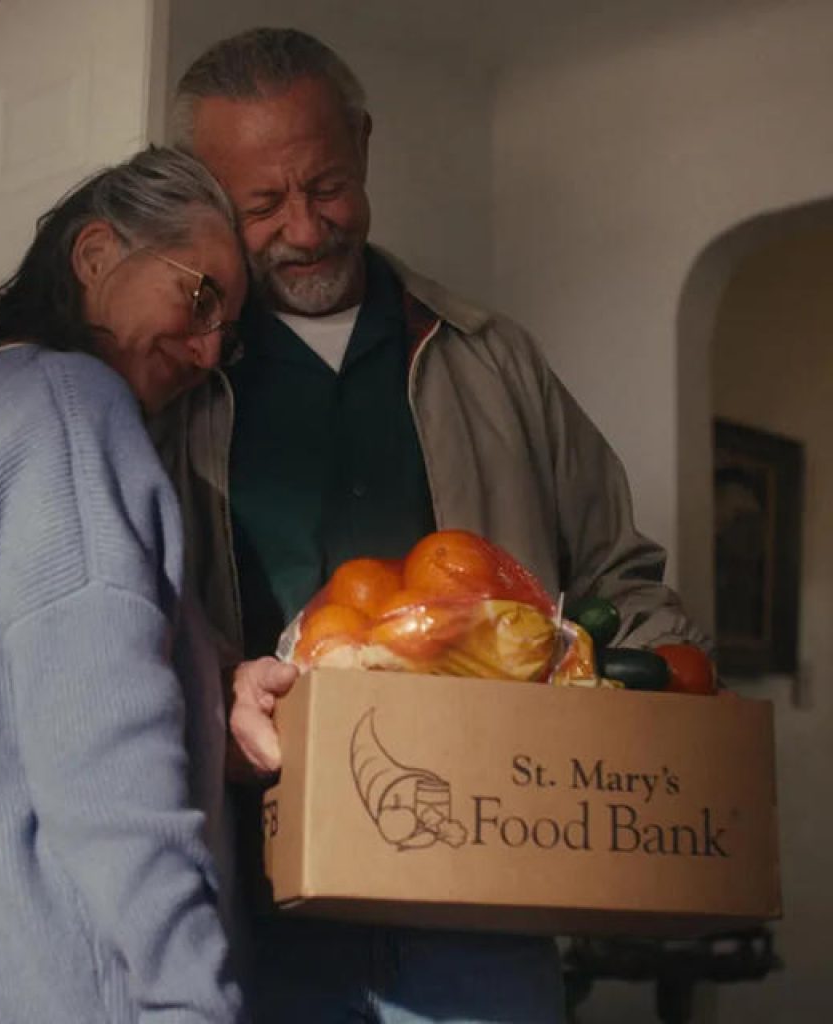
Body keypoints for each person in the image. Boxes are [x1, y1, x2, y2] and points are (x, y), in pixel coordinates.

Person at [160, 27, 708, 1024]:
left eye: (327, 186)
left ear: (364, 145)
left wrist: (672, 704)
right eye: (262, 205)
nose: (304, 228)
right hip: (248, 897)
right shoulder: (177, 382)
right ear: (207, 200)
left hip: (484, 892)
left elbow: (619, 574)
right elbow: (126, 624)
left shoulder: (491, 357)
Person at [0, 146, 250, 1024]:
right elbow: (107, 751)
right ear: (97, 255)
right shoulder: (73, 407)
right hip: (65, 978)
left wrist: (212, 688)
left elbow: (1, 698)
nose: (208, 349)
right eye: (200, 297)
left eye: (228, 329)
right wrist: (192, 998)